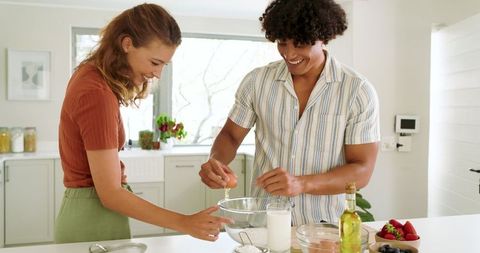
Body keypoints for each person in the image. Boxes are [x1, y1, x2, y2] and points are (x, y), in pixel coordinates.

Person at [56, 3, 231, 243]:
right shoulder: (96, 92)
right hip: (92, 217)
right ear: (127, 44)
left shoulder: (89, 75)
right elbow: (110, 194)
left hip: (89, 212)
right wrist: (184, 222)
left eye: (163, 66)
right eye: (154, 62)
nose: (157, 74)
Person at [199, 0, 380, 225]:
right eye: (282, 43)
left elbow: (362, 170)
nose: (289, 53)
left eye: (300, 44)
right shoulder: (257, 82)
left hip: (323, 229)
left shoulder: (357, 91)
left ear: (323, 38)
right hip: (264, 225)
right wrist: (216, 162)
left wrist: (302, 184)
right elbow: (231, 136)